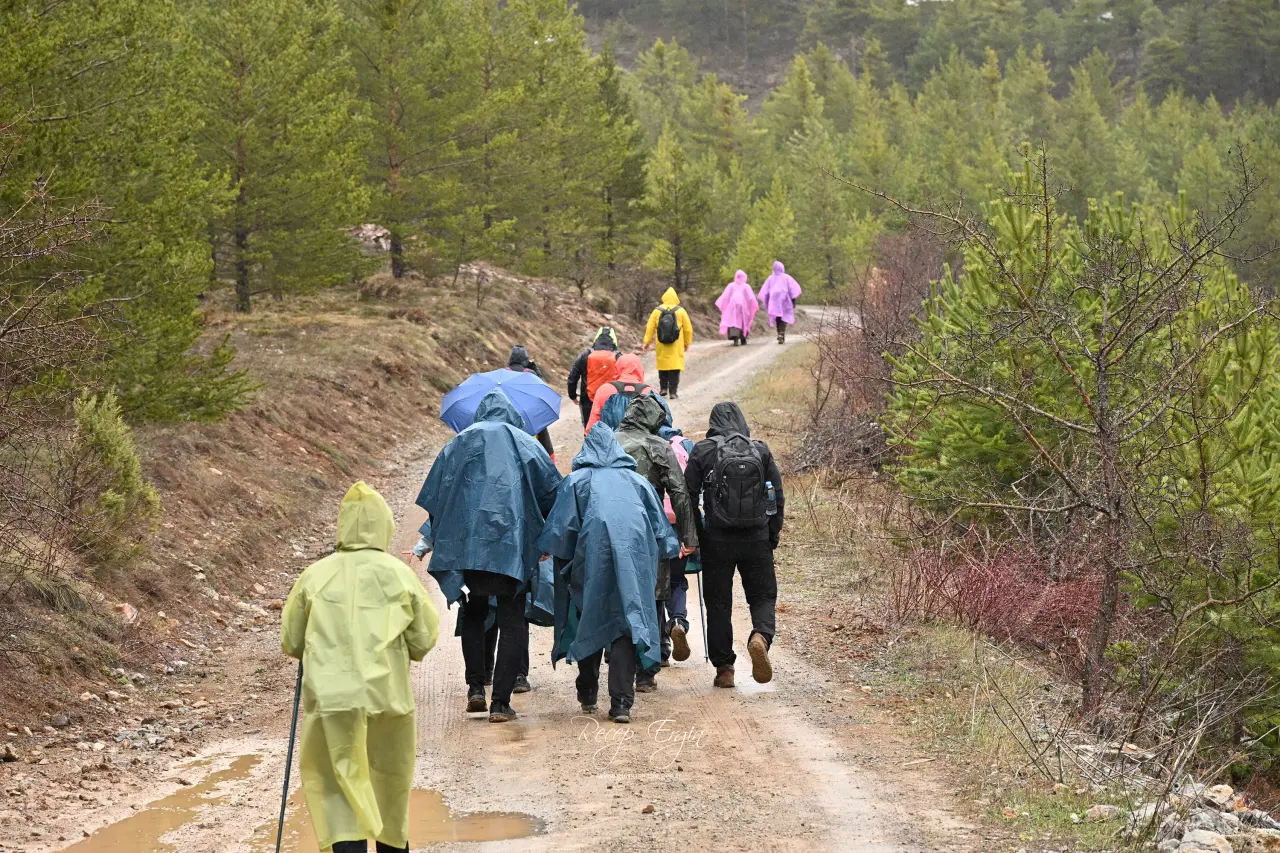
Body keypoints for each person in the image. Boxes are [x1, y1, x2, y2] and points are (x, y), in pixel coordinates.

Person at [282, 482, 439, 853]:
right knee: (389, 782)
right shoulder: (398, 574)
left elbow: (291, 641)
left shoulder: (314, 576)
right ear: (383, 526)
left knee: (336, 785)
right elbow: (424, 638)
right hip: (388, 698)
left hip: (330, 703)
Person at [411, 389, 561, 722]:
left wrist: (440, 537)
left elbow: (437, 496)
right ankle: (501, 704)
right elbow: (552, 490)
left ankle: (476, 687)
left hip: (467, 549)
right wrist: (548, 540)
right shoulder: (525, 442)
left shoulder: (459, 443)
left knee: (475, 612)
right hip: (511, 549)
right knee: (510, 618)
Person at [537, 423, 681, 723]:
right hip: (634, 563)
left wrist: (549, 553)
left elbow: (560, 530)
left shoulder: (576, 482)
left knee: (589, 618)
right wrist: (671, 549)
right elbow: (660, 531)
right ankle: (621, 704)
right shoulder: (637, 482)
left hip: (588, 563)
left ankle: (588, 693)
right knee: (626, 624)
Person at [684, 403, 785, 688]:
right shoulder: (760, 450)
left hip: (717, 540)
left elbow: (687, 496)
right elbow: (776, 497)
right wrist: (771, 536)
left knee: (718, 604)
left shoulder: (703, 450)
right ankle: (760, 636)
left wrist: (696, 538)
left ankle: (725, 668)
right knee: (763, 596)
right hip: (756, 539)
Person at [612, 395, 699, 691]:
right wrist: (688, 537)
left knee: (618, 593)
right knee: (652, 598)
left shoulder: (608, 442)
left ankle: (617, 661)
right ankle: (646, 672)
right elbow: (679, 492)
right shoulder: (659, 446)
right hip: (650, 531)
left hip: (612, 530)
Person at [586, 353, 668, 433]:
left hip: (611, 444)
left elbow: (593, 424)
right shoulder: (650, 392)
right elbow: (664, 425)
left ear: (617, 368)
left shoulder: (604, 390)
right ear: (640, 369)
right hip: (644, 445)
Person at [506, 345, 555, 461]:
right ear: (525, 360)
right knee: (543, 441)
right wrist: (535, 368)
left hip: (509, 416)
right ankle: (548, 463)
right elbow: (543, 390)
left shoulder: (503, 374)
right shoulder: (530, 374)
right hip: (531, 416)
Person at [643, 287, 694, 399]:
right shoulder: (680, 311)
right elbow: (688, 329)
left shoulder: (657, 311)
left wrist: (646, 342)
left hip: (661, 344)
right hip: (676, 345)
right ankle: (673, 392)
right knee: (675, 369)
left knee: (663, 367)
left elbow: (650, 328)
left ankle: (663, 389)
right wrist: (686, 343)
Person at [567, 328, 621, 428]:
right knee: (612, 430)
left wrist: (573, 395)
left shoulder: (586, 355)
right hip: (612, 401)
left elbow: (572, 376)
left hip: (588, 401)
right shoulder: (618, 356)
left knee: (590, 429)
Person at [757, 261, 802, 344]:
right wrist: (793, 301)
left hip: (774, 300)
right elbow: (793, 290)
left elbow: (765, 291)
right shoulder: (787, 277)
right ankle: (781, 333)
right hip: (785, 300)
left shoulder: (770, 278)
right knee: (784, 317)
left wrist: (766, 302)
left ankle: (779, 333)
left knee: (777, 317)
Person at [716, 270, 759, 346]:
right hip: (743, 306)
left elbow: (726, 296)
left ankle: (735, 338)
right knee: (743, 321)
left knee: (733, 321)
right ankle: (743, 338)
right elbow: (751, 298)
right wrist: (753, 305)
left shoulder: (731, 285)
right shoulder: (746, 286)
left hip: (732, 305)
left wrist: (724, 305)